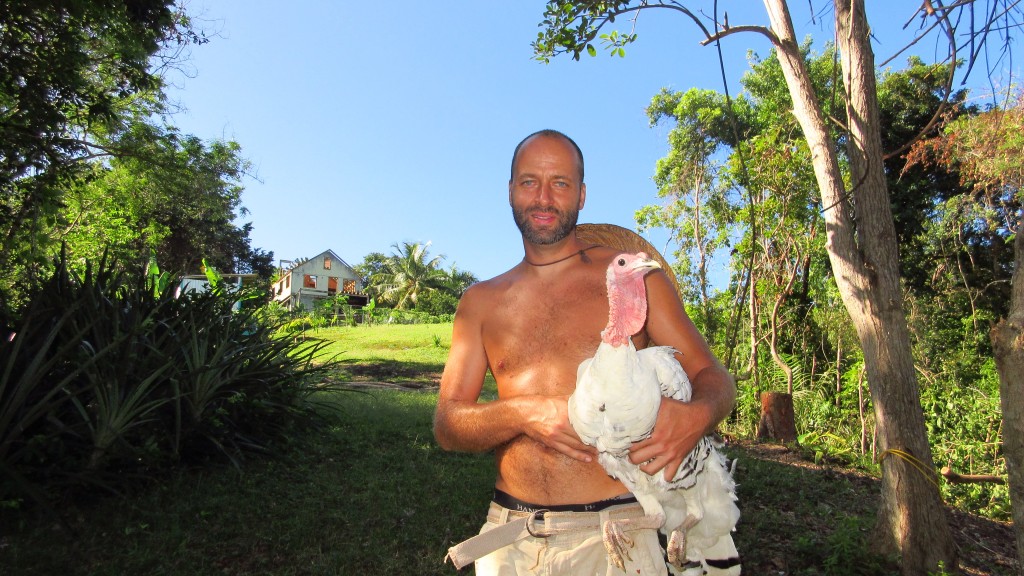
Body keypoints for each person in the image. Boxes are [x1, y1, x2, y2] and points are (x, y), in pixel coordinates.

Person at [434, 129, 737, 575]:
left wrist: (696, 416)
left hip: (620, 538)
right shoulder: (480, 302)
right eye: (528, 181)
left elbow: (714, 377)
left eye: (560, 182)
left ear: (581, 195)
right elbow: (447, 424)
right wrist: (525, 413)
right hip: (512, 539)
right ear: (510, 191)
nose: (543, 197)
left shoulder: (633, 277)